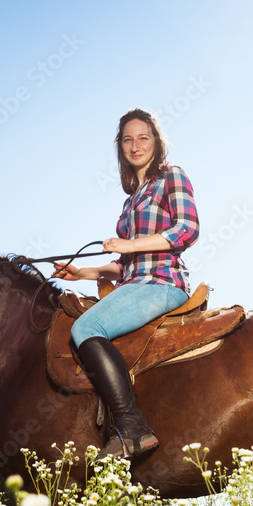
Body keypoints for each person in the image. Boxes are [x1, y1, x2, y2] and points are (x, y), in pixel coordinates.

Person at [53, 108, 200, 460]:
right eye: (128, 139)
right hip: (135, 282)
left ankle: (133, 429)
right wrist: (83, 273)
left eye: (143, 137)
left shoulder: (171, 176)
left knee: (87, 327)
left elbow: (188, 228)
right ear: (120, 147)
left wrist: (131, 244)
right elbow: (125, 265)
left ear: (156, 143)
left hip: (163, 282)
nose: (135, 145)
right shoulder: (131, 199)